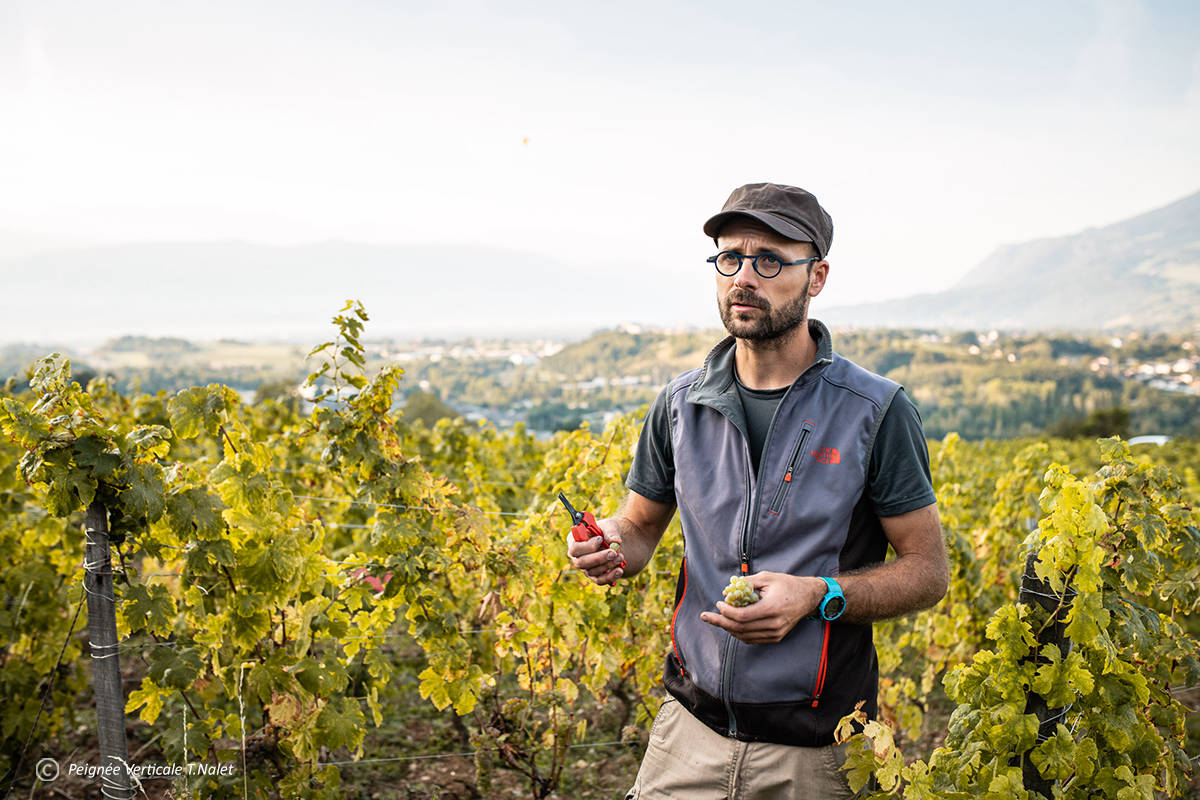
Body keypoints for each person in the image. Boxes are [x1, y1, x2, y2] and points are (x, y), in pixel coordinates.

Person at [566, 183, 949, 799]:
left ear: (816, 276)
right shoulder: (679, 403)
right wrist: (608, 543)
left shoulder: (875, 411)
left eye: (770, 260)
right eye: (730, 258)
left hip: (818, 751)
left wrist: (817, 595)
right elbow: (637, 529)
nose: (744, 277)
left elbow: (928, 572)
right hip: (687, 734)